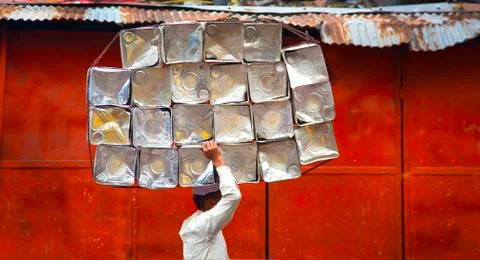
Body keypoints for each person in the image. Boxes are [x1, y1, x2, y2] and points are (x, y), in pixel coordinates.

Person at [179, 141, 242, 260]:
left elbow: (232, 200)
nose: (224, 199)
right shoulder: (202, 224)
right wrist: (217, 158)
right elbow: (233, 196)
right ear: (212, 203)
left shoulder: (203, 223)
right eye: (221, 196)